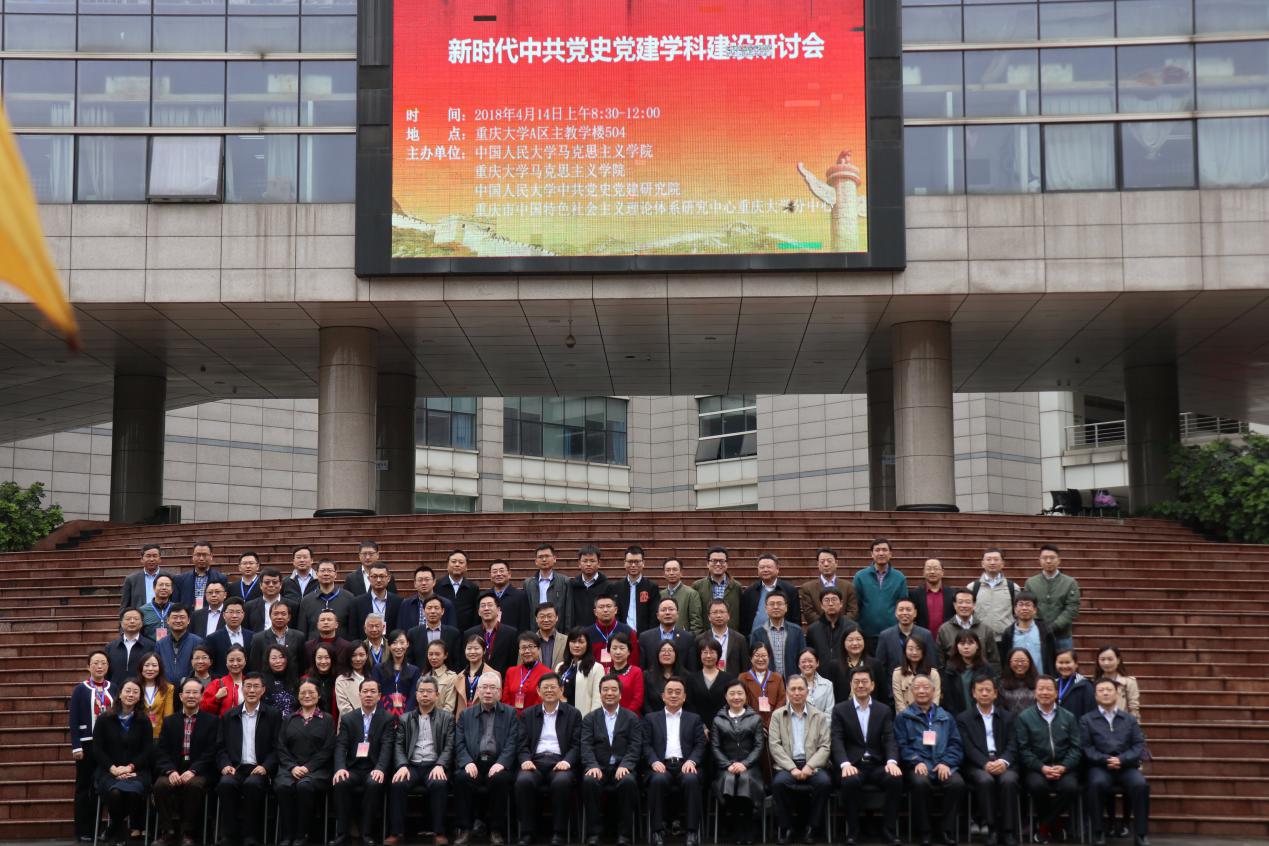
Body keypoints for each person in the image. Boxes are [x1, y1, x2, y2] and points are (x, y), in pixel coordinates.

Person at [830, 667, 903, 846]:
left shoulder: (883, 710)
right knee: (849, 781)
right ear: (851, 685)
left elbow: (890, 738)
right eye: (856, 682)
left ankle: (888, 830)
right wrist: (845, 764)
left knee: (895, 778)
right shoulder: (840, 709)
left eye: (864, 682)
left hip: (877, 764)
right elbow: (837, 740)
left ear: (872, 685)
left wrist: (892, 761)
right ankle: (853, 831)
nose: (860, 685)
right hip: (853, 764)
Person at [894, 674, 965, 846]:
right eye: (917, 687)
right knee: (920, 784)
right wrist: (916, 761)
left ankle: (946, 830)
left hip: (942, 764)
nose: (921, 691)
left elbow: (956, 744)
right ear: (911, 692)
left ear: (934, 691)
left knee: (957, 784)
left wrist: (946, 762)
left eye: (926, 687)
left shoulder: (945, 716)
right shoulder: (903, 717)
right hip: (918, 764)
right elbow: (901, 745)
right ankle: (924, 831)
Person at [1080, 678, 1151, 846]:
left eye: (1109, 690)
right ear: (1095, 695)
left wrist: (1122, 759)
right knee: (1096, 784)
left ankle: (1141, 834)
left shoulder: (1129, 719)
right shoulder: (1087, 719)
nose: (1105, 693)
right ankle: (1098, 832)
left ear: (1117, 694)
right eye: (1101, 690)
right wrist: (1105, 759)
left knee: (1141, 785)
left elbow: (1138, 744)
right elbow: (1086, 747)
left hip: (1125, 766)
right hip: (1100, 766)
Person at [453, 672, 520, 846]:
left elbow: (512, 742)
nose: (488, 691)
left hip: (498, 763)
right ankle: (465, 829)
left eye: (492, 688)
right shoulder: (466, 714)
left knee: (500, 779)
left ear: (499, 692)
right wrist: (467, 762)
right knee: (461, 778)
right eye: (484, 687)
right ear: (478, 691)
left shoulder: (510, 713)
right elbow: (459, 742)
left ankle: (496, 830)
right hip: (473, 762)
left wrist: (501, 763)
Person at [515, 673, 582, 846]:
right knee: (523, 781)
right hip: (534, 761)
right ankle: (527, 833)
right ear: (538, 691)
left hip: (561, 761)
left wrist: (567, 761)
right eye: (545, 687)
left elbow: (577, 745)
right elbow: (521, 743)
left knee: (562, 782)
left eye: (553, 687)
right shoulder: (527, 714)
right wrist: (525, 759)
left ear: (561, 690)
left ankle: (559, 833)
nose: (549, 690)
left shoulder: (573, 714)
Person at [388, 677, 455, 846]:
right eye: (421, 691)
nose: (425, 695)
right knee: (397, 784)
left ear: (437, 695)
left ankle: (439, 832)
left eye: (429, 691)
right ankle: (396, 833)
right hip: (412, 765)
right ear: (416, 695)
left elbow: (449, 746)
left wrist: (441, 764)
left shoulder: (447, 718)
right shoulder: (405, 718)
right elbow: (398, 745)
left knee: (439, 784)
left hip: (434, 765)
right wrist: (402, 765)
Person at [215, 673, 281, 846]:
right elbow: (220, 747)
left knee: (252, 785)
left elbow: (277, 748)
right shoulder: (229, 715)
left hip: (259, 768)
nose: (252, 690)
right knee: (226, 784)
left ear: (263, 690)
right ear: (242, 689)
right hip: (235, 767)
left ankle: (250, 836)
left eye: (256, 686)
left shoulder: (273, 715)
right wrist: (225, 765)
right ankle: (229, 836)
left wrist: (266, 766)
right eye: (248, 686)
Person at [1015, 677, 1082, 844]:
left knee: (1070, 787)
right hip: (1036, 768)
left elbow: (1076, 748)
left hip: (1063, 767)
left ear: (1056, 693)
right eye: (1041, 689)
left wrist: (1064, 766)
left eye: (1049, 689)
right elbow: (1023, 749)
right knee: (1037, 786)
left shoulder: (1068, 717)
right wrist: (1042, 767)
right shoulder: (1024, 717)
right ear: (1035, 693)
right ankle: (1056, 824)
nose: (1045, 692)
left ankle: (1045, 826)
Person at [153, 677, 218, 846]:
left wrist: (193, 770)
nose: (191, 696)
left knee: (194, 785)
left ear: (201, 696)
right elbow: (161, 751)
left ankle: (187, 832)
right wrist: (170, 771)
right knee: (161, 785)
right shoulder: (170, 721)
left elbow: (211, 752)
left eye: (195, 692)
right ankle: (168, 831)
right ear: (181, 696)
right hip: (174, 768)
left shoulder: (212, 721)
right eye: (187, 692)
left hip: (199, 770)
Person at [956, 675, 1020, 846]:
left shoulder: (1007, 717)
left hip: (1003, 763)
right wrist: (985, 763)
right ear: (973, 693)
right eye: (980, 690)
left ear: (995, 693)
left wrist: (1004, 761)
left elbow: (1013, 743)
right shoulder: (964, 718)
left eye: (988, 690)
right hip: (977, 764)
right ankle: (991, 828)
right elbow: (968, 747)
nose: (984, 693)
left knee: (1009, 780)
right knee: (985, 780)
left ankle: (1008, 831)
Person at [768, 675, 832, 845]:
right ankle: (786, 827)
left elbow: (825, 746)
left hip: (813, 765)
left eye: (800, 689)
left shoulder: (819, 716)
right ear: (787, 692)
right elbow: (775, 746)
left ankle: (813, 827)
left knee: (824, 783)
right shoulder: (777, 715)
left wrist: (810, 766)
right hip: (787, 766)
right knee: (779, 784)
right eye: (793, 689)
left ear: (807, 691)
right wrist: (792, 768)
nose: (797, 693)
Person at [581, 674, 644, 846]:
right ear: (600, 693)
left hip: (622, 767)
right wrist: (592, 765)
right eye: (605, 689)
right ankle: (593, 834)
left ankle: (624, 835)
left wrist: (626, 765)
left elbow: (635, 746)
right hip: (598, 767)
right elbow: (586, 746)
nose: (609, 693)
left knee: (628, 782)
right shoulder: (590, 718)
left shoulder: (631, 718)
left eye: (614, 689)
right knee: (589, 781)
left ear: (620, 694)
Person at [643, 676, 706, 846]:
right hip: (661, 765)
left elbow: (700, 744)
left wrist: (692, 761)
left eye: (678, 692)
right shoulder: (651, 718)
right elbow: (645, 744)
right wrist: (653, 761)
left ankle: (692, 831)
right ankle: (657, 831)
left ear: (684, 697)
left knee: (691, 780)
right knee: (657, 780)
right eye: (669, 692)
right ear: (663, 696)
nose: (673, 695)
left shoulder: (694, 718)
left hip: (685, 764)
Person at [274, 679, 337, 846]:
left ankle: (302, 835)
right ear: (298, 696)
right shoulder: (289, 718)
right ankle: (286, 835)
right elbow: (281, 747)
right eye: (303, 693)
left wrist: (308, 767)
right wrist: (293, 767)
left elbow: (328, 749)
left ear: (319, 695)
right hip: (290, 768)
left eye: (311, 692)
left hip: (317, 770)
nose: (307, 696)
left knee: (304, 786)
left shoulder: (327, 719)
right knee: (283, 786)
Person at [332, 679, 394, 846]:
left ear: (379, 696)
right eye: (365, 691)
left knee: (374, 783)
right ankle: (342, 832)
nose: (368, 695)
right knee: (340, 781)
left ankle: (366, 832)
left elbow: (387, 746)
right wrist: (340, 768)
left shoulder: (387, 718)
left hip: (374, 767)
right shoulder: (348, 718)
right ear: (359, 694)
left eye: (372, 691)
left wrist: (380, 768)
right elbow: (341, 746)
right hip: (353, 768)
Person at [93, 678, 154, 846]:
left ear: (140, 697)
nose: (131, 694)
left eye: (135, 692)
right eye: (127, 691)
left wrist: (130, 767)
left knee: (133, 793)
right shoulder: (104, 719)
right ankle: (120, 831)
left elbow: (147, 750)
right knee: (115, 793)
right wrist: (113, 769)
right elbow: (97, 749)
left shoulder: (144, 720)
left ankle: (113, 828)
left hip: (136, 771)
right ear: (120, 694)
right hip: (108, 770)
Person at [711, 679, 765, 845]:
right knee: (729, 780)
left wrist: (745, 764)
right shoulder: (718, 719)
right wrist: (728, 765)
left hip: (750, 766)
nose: (736, 697)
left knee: (745, 779)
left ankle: (748, 824)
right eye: (732, 693)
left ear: (746, 696)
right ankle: (736, 825)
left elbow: (758, 746)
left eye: (740, 693)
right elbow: (715, 747)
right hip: (725, 766)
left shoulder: (755, 718)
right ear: (726, 697)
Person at [70, 651, 114, 842]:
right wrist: (76, 746)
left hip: (108, 745)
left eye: (103, 663)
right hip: (87, 743)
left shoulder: (114, 688)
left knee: (102, 786)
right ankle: (83, 829)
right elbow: (73, 719)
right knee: (84, 787)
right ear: (88, 666)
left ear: (108, 666)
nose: (99, 666)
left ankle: (100, 827)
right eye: (95, 663)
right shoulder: (80, 689)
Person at [852, 539, 909, 653]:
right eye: (877, 550)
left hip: (892, 634)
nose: (881, 553)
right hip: (866, 634)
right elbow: (855, 604)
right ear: (872, 554)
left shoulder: (899, 577)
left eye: (884, 550)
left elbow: (903, 604)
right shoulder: (860, 576)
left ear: (890, 554)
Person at [1024, 545, 1081, 652]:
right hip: (1037, 634)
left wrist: (1054, 626)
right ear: (1039, 560)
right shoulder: (1031, 582)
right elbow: (1028, 605)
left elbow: (1072, 608)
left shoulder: (1070, 583)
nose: (1048, 561)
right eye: (1045, 558)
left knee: (1064, 661)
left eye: (1052, 558)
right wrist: (1040, 627)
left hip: (1062, 635)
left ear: (1059, 560)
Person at [873, 598, 938, 686]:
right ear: (896, 613)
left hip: (921, 687)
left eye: (908, 609)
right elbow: (881, 667)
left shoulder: (926, 635)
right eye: (901, 609)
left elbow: (932, 663)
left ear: (915, 613)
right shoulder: (885, 636)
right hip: (893, 687)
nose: (904, 613)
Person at [739, 553, 801, 637]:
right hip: (755, 639)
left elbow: (795, 619)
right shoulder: (749, 592)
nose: (765, 570)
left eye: (769, 567)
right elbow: (744, 621)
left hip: (783, 638)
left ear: (777, 569)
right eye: (762, 567)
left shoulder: (789, 590)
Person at [935, 589, 1000, 668]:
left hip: (981, 674)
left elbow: (994, 660)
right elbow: (940, 660)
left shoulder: (985, 629)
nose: (964, 605)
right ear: (954, 605)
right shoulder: (944, 629)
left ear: (974, 605)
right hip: (953, 674)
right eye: (960, 602)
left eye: (968, 602)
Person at [997, 592, 1057, 676]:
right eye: (1021, 605)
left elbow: (1052, 657)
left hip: (1041, 679)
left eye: (1028, 605)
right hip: (1016, 680)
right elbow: (1004, 659)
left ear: (1035, 610)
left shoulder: (1045, 631)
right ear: (1015, 609)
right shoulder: (1008, 633)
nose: (1024, 608)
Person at [749, 591, 806, 679]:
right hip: (767, 682)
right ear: (766, 608)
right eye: (772, 604)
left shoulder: (796, 631)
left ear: (786, 607)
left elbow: (803, 657)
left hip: (792, 682)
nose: (776, 607)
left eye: (779, 604)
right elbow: (753, 661)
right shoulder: (757, 633)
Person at [967, 549, 1019, 643]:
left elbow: (1018, 613)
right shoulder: (972, 587)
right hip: (979, 639)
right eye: (988, 559)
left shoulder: (1013, 587)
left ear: (1002, 563)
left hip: (1005, 638)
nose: (992, 562)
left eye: (996, 559)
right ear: (982, 563)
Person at [798, 547, 858, 627]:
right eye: (822, 561)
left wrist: (839, 625)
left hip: (844, 630)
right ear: (818, 564)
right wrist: (826, 626)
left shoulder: (848, 586)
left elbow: (853, 611)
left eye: (829, 561)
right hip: (819, 631)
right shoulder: (807, 588)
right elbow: (809, 613)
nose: (826, 564)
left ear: (836, 563)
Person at [940, 630, 996, 717]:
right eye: (962, 644)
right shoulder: (950, 670)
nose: (966, 647)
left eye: (970, 643)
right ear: (956, 646)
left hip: (983, 715)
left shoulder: (986, 668)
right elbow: (948, 698)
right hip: (958, 716)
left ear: (977, 645)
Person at [684, 637, 737, 726]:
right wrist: (700, 725)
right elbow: (689, 705)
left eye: (712, 652)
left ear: (718, 654)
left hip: (723, 726)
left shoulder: (729, 678)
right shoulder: (691, 679)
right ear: (700, 655)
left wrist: (721, 724)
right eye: (705, 652)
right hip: (697, 726)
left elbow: (730, 704)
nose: (708, 656)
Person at [639, 597, 700, 673]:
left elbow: (692, 668)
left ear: (677, 614)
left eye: (671, 609)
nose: (667, 613)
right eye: (663, 610)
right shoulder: (645, 637)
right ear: (657, 615)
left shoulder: (688, 637)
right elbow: (642, 668)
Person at [465, 591, 520, 675]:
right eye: (483, 606)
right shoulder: (469, 633)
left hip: (502, 680)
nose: (486, 608)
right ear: (478, 612)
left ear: (498, 610)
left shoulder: (511, 633)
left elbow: (513, 662)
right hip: (476, 680)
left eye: (490, 605)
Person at [299, 560, 355, 638]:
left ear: (335, 574)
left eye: (329, 570)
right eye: (322, 571)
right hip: (314, 645)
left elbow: (353, 629)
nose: (326, 574)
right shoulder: (306, 600)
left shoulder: (349, 598)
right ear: (317, 574)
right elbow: (302, 630)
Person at [406, 595, 462, 671]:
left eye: (436, 608)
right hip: (420, 675)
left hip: (446, 676)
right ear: (423, 611)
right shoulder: (413, 633)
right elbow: (409, 660)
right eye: (429, 608)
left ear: (442, 611)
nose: (432, 611)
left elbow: (457, 661)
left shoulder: (453, 633)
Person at [805, 588, 856, 671]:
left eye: (834, 600)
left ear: (841, 603)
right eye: (826, 600)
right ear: (821, 605)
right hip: (821, 675)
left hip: (846, 673)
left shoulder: (851, 627)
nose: (831, 604)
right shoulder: (813, 630)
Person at [693, 546, 743, 629]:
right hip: (706, 635)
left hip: (731, 634)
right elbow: (695, 614)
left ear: (727, 564)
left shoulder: (736, 587)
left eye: (722, 561)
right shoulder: (698, 586)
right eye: (714, 561)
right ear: (707, 564)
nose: (718, 564)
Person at [613, 545, 660, 633]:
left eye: (637, 562)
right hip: (622, 635)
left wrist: (649, 635)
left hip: (645, 635)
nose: (633, 565)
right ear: (624, 563)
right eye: (630, 562)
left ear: (643, 563)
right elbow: (615, 614)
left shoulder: (651, 587)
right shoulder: (617, 587)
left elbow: (654, 616)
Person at [249, 601, 306, 674]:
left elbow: (302, 664)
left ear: (289, 617)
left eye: (283, 614)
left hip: (292, 679)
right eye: (276, 614)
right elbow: (255, 666)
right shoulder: (258, 639)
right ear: (270, 616)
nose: (279, 617)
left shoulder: (299, 637)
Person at [566, 544, 615, 629]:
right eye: (585, 561)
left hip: (599, 632)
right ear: (579, 563)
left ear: (599, 563)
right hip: (577, 633)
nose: (588, 564)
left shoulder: (608, 586)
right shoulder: (572, 585)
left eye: (592, 561)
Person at [374, 629, 421, 717]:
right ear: (389, 646)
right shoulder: (379, 668)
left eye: (402, 642)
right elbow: (375, 693)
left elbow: (413, 696)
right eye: (394, 643)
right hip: (383, 715)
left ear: (407, 644)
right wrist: (384, 715)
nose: (398, 647)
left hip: (406, 715)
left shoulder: (414, 670)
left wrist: (405, 717)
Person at [557, 628, 604, 715]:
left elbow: (597, 700)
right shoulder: (560, 666)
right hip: (561, 716)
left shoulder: (596, 668)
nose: (577, 645)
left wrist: (591, 720)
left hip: (583, 718)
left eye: (581, 642)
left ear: (587, 644)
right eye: (573, 641)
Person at [106, 608, 156, 688]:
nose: (132, 621)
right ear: (121, 623)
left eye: (136, 619)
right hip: (115, 691)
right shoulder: (111, 647)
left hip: (142, 691)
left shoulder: (151, 646)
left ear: (142, 623)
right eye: (128, 619)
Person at [352, 562, 404, 639]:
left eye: (382, 576)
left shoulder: (398, 602)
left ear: (388, 578)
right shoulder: (357, 603)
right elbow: (353, 632)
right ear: (369, 578)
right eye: (374, 576)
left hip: (391, 644)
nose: (378, 580)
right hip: (365, 645)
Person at [525, 544, 571, 630]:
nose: (544, 559)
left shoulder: (564, 581)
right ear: (536, 561)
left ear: (554, 559)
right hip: (535, 631)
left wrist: (567, 633)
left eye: (547, 556)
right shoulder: (528, 583)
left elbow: (568, 611)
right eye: (540, 557)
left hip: (558, 631)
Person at [588, 594, 639, 672]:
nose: (605, 610)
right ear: (595, 612)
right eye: (601, 607)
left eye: (608, 606)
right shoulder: (587, 633)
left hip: (621, 676)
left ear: (615, 610)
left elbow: (634, 660)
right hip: (594, 676)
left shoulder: (628, 631)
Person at [400, 564, 459, 632]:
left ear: (434, 582)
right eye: (420, 580)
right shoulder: (406, 604)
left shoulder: (446, 604)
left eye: (427, 579)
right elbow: (400, 630)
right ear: (415, 584)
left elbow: (453, 631)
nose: (423, 583)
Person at [502, 631, 550, 712]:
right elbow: (505, 699)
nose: (527, 651)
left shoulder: (547, 673)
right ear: (519, 651)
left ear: (538, 650)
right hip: (511, 718)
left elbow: (542, 701)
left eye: (531, 647)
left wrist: (527, 717)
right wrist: (511, 716)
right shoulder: (511, 672)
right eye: (523, 648)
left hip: (535, 717)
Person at [740, 642, 786, 726]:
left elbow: (781, 702)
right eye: (757, 656)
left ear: (769, 657)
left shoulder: (777, 678)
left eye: (764, 656)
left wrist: (769, 724)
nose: (760, 659)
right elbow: (742, 704)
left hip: (773, 725)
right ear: (750, 658)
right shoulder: (743, 678)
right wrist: (757, 725)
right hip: (750, 726)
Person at [206, 596, 255, 675]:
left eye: (238, 612)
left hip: (246, 680)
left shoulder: (252, 637)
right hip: (222, 680)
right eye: (231, 612)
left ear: (243, 614)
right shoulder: (213, 638)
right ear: (224, 615)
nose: (234, 616)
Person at [891, 636, 941, 713]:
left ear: (923, 651)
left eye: (918, 649)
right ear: (905, 651)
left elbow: (935, 700)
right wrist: (909, 717)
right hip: (905, 716)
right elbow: (899, 702)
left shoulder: (933, 673)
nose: (914, 652)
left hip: (929, 716)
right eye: (910, 649)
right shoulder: (898, 673)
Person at [910, 558, 958, 637]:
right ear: (923, 572)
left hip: (947, 638)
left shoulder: (953, 594)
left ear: (942, 572)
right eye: (928, 569)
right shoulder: (914, 594)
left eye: (936, 569)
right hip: (922, 639)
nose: (932, 572)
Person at [436, 549, 481, 632]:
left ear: (466, 567)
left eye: (461, 562)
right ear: (447, 565)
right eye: (453, 562)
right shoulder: (437, 586)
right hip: (442, 632)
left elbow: (476, 614)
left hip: (466, 633)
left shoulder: (473, 588)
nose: (457, 565)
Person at [155, 603, 202, 683]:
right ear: (168, 620)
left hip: (189, 688)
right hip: (165, 687)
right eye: (175, 617)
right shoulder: (160, 644)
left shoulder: (197, 642)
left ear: (188, 621)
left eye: (182, 617)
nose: (178, 620)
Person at [172, 541, 226, 610]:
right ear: (193, 556)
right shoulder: (180, 579)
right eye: (198, 555)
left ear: (211, 556)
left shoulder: (221, 578)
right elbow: (175, 605)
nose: (201, 558)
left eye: (204, 555)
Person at [836, 628, 884, 704]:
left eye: (858, 639)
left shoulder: (875, 664)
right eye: (850, 640)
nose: (855, 643)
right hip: (842, 709)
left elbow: (882, 694)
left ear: (864, 641)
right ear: (843, 643)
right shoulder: (835, 666)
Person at [245, 567, 299, 632]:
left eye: (275, 582)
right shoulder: (249, 606)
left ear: (281, 585)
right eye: (267, 582)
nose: (271, 585)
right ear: (260, 585)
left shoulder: (293, 606)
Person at [661, 557, 705, 634]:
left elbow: (696, 623)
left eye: (675, 570)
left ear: (681, 572)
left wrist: (689, 638)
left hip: (683, 638)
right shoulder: (660, 594)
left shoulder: (691, 594)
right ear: (664, 574)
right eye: (668, 570)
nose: (671, 573)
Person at [200, 645, 247, 717]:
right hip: (224, 723)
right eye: (231, 660)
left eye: (239, 660)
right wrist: (216, 698)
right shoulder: (217, 683)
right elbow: (203, 709)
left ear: (245, 661)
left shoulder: (250, 683)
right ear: (226, 662)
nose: (235, 664)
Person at [704, 599, 749, 673]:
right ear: (709, 617)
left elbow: (745, 667)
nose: (718, 615)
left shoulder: (740, 639)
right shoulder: (701, 639)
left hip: (733, 679)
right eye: (715, 612)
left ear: (728, 615)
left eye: (722, 612)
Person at [1096, 646, 1141, 717]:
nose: (1106, 663)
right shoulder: (1094, 682)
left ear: (1118, 660)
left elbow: (1134, 709)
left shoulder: (1129, 682)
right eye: (1102, 659)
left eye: (1110, 659)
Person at [121, 544, 169, 610]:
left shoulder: (170, 578)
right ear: (142, 559)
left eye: (155, 556)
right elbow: (124, 606)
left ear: (160, 559)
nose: (151, 559)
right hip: (140, 616)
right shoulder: (131, 580)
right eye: (148, 556)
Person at [489, 559, 532, 633]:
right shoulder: (485, 596)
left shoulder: (520, 596)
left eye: (501, 571)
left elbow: (524, 624)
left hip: (513, 638)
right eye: (495, 571)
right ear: (490, 575)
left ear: (509, 574)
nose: (498, 574)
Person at [138, 652, 175, 737]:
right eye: (147, 665)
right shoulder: (135, 687)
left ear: (160, 668)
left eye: (154, 665)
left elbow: (168, 715)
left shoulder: (169, 688)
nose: (150, 669)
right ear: (141, 667)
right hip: (138, 734)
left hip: (159, 735)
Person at [456, 634, 495, 713]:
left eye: (476, 648)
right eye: (469, 648)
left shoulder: (494, 675)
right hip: (463, 718)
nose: (472, 652)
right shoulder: (459, 676)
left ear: (484, 651)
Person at [607, 632, 645, 713]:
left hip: (630, 716)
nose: (618, 652)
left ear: (629, 651)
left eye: (622, 648)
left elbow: (637, 700)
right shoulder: (605, 671)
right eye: (614, 648)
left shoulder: (636, 671)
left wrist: (623, 716)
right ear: (609, 651)